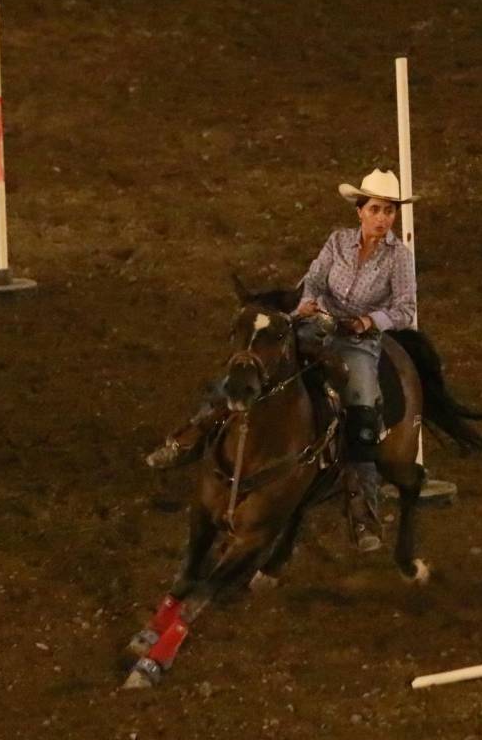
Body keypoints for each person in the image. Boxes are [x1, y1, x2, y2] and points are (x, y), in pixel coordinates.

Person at [144, 168, 418, 552]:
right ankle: (191, 434)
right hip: (314, 326)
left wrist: (369, 320)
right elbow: (315, 280)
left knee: (362, 411)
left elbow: (405, 309)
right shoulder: (337, 242)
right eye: (376, 209)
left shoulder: (399, 258)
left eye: (389, 211)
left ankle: (363, 511)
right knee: (254, 363)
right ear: (360, 211)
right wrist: (307, 302)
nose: (383, 218)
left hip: (359, 343)